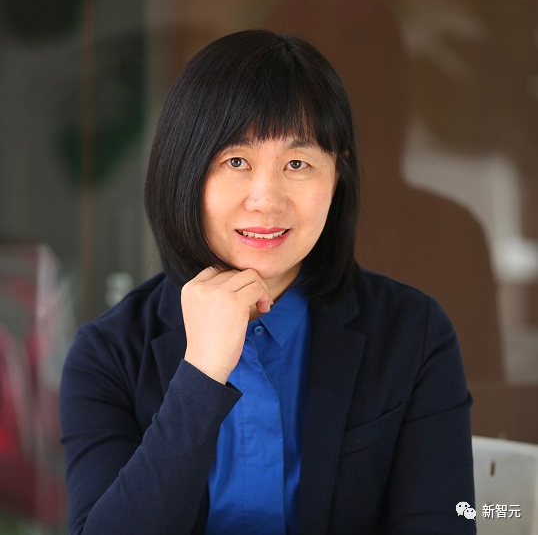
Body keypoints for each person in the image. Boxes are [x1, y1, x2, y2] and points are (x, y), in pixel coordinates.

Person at [59, 30, 476, 535]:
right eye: (236, 161)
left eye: (297, 164)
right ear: (183, 171)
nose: (266, 200)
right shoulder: (107, 354)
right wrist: (201, 374)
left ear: (337, 176)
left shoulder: (414, 333)